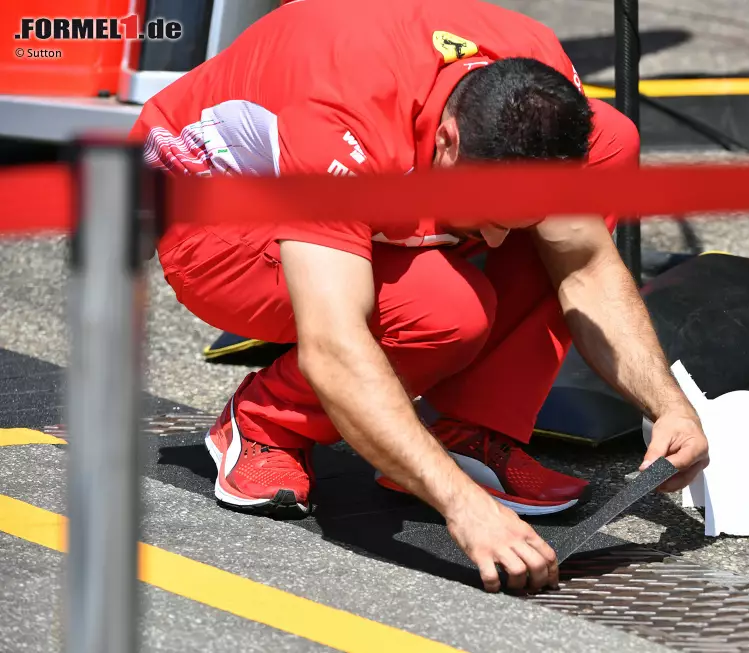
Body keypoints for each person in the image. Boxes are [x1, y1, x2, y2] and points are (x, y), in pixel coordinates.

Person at [130, 0, 709, 594]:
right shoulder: (339, 115)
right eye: (491, 216)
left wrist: (667, 405)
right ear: (450, 140)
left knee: (610, 142)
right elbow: (335, 341)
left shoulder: (540, 74)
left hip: (375, 156)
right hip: (215, 215)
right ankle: (263, 423)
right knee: (443, 313)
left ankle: (470, 431)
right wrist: (464, 510)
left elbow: (583, 263)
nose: (498, 241)